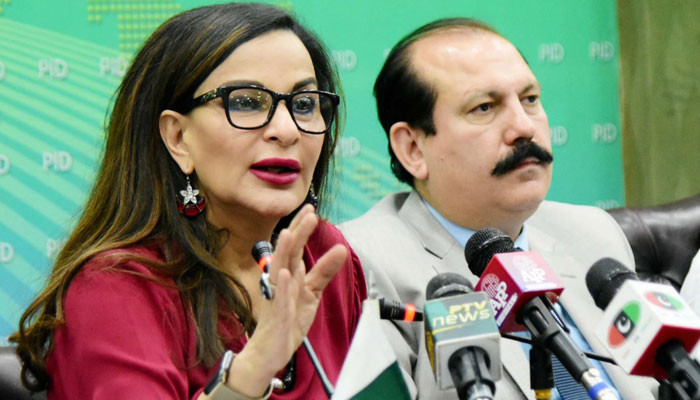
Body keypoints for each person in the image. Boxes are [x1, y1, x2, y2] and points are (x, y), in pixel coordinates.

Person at [10, 3, 366, 399]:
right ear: (178, 138)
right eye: (246, 102)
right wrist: (252, 370)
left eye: (303, 104)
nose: (286, 130)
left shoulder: (323, 257)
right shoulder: (115, 289)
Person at [339, 18, 658, 399]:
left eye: (530, 99)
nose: (524, 128)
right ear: (413, 149)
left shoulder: (591, 233)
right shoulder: (363, 268)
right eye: (484, 107)